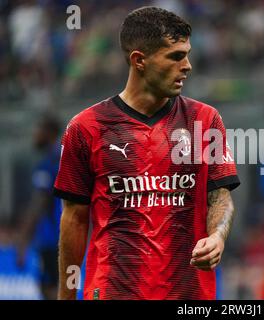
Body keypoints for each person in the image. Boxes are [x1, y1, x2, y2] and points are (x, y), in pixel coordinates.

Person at [54, 6, 240, 300]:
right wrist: (66, 297)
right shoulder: (86, 127)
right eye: (176, 56)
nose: (188, 65)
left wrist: (217, 235)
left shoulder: (206, 120)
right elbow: (74, 219)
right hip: (113, 292)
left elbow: (220, 197)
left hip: (188, 296)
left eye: (188, 54)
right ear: (139, 61)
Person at [16, 114, 62, 300]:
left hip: (51, 239)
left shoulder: (47, 164)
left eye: (38, 130)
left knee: (48, 289)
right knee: (64, 289)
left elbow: (38, 204)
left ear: (48, 133)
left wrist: (23, 241)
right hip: (69, 238)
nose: (35, 135)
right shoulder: (66, 158)